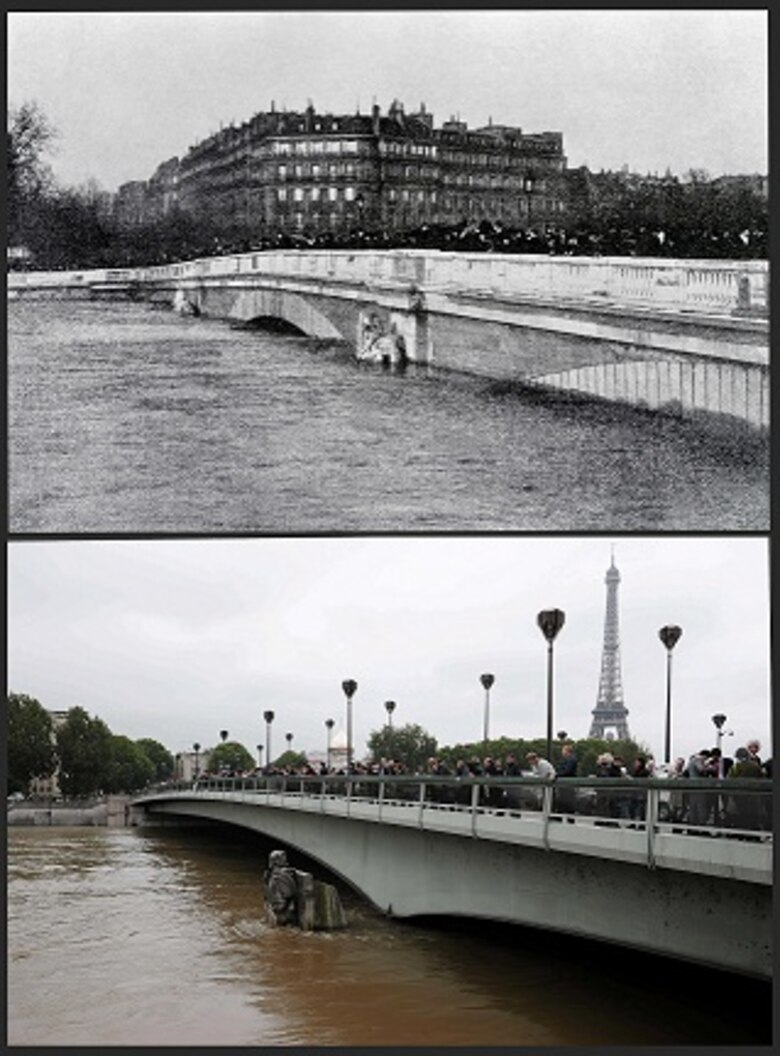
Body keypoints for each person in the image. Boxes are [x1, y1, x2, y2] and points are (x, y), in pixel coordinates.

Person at [554, 744, 578, 817]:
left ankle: (569, 819)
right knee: (563, 803)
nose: (562, 752)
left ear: (567, 751)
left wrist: (557, 775)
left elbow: (567, 771)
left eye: (563, 750)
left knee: (568, 803)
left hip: (568, 785)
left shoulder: (571, 760)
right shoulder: (569, 759)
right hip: (565, 785)